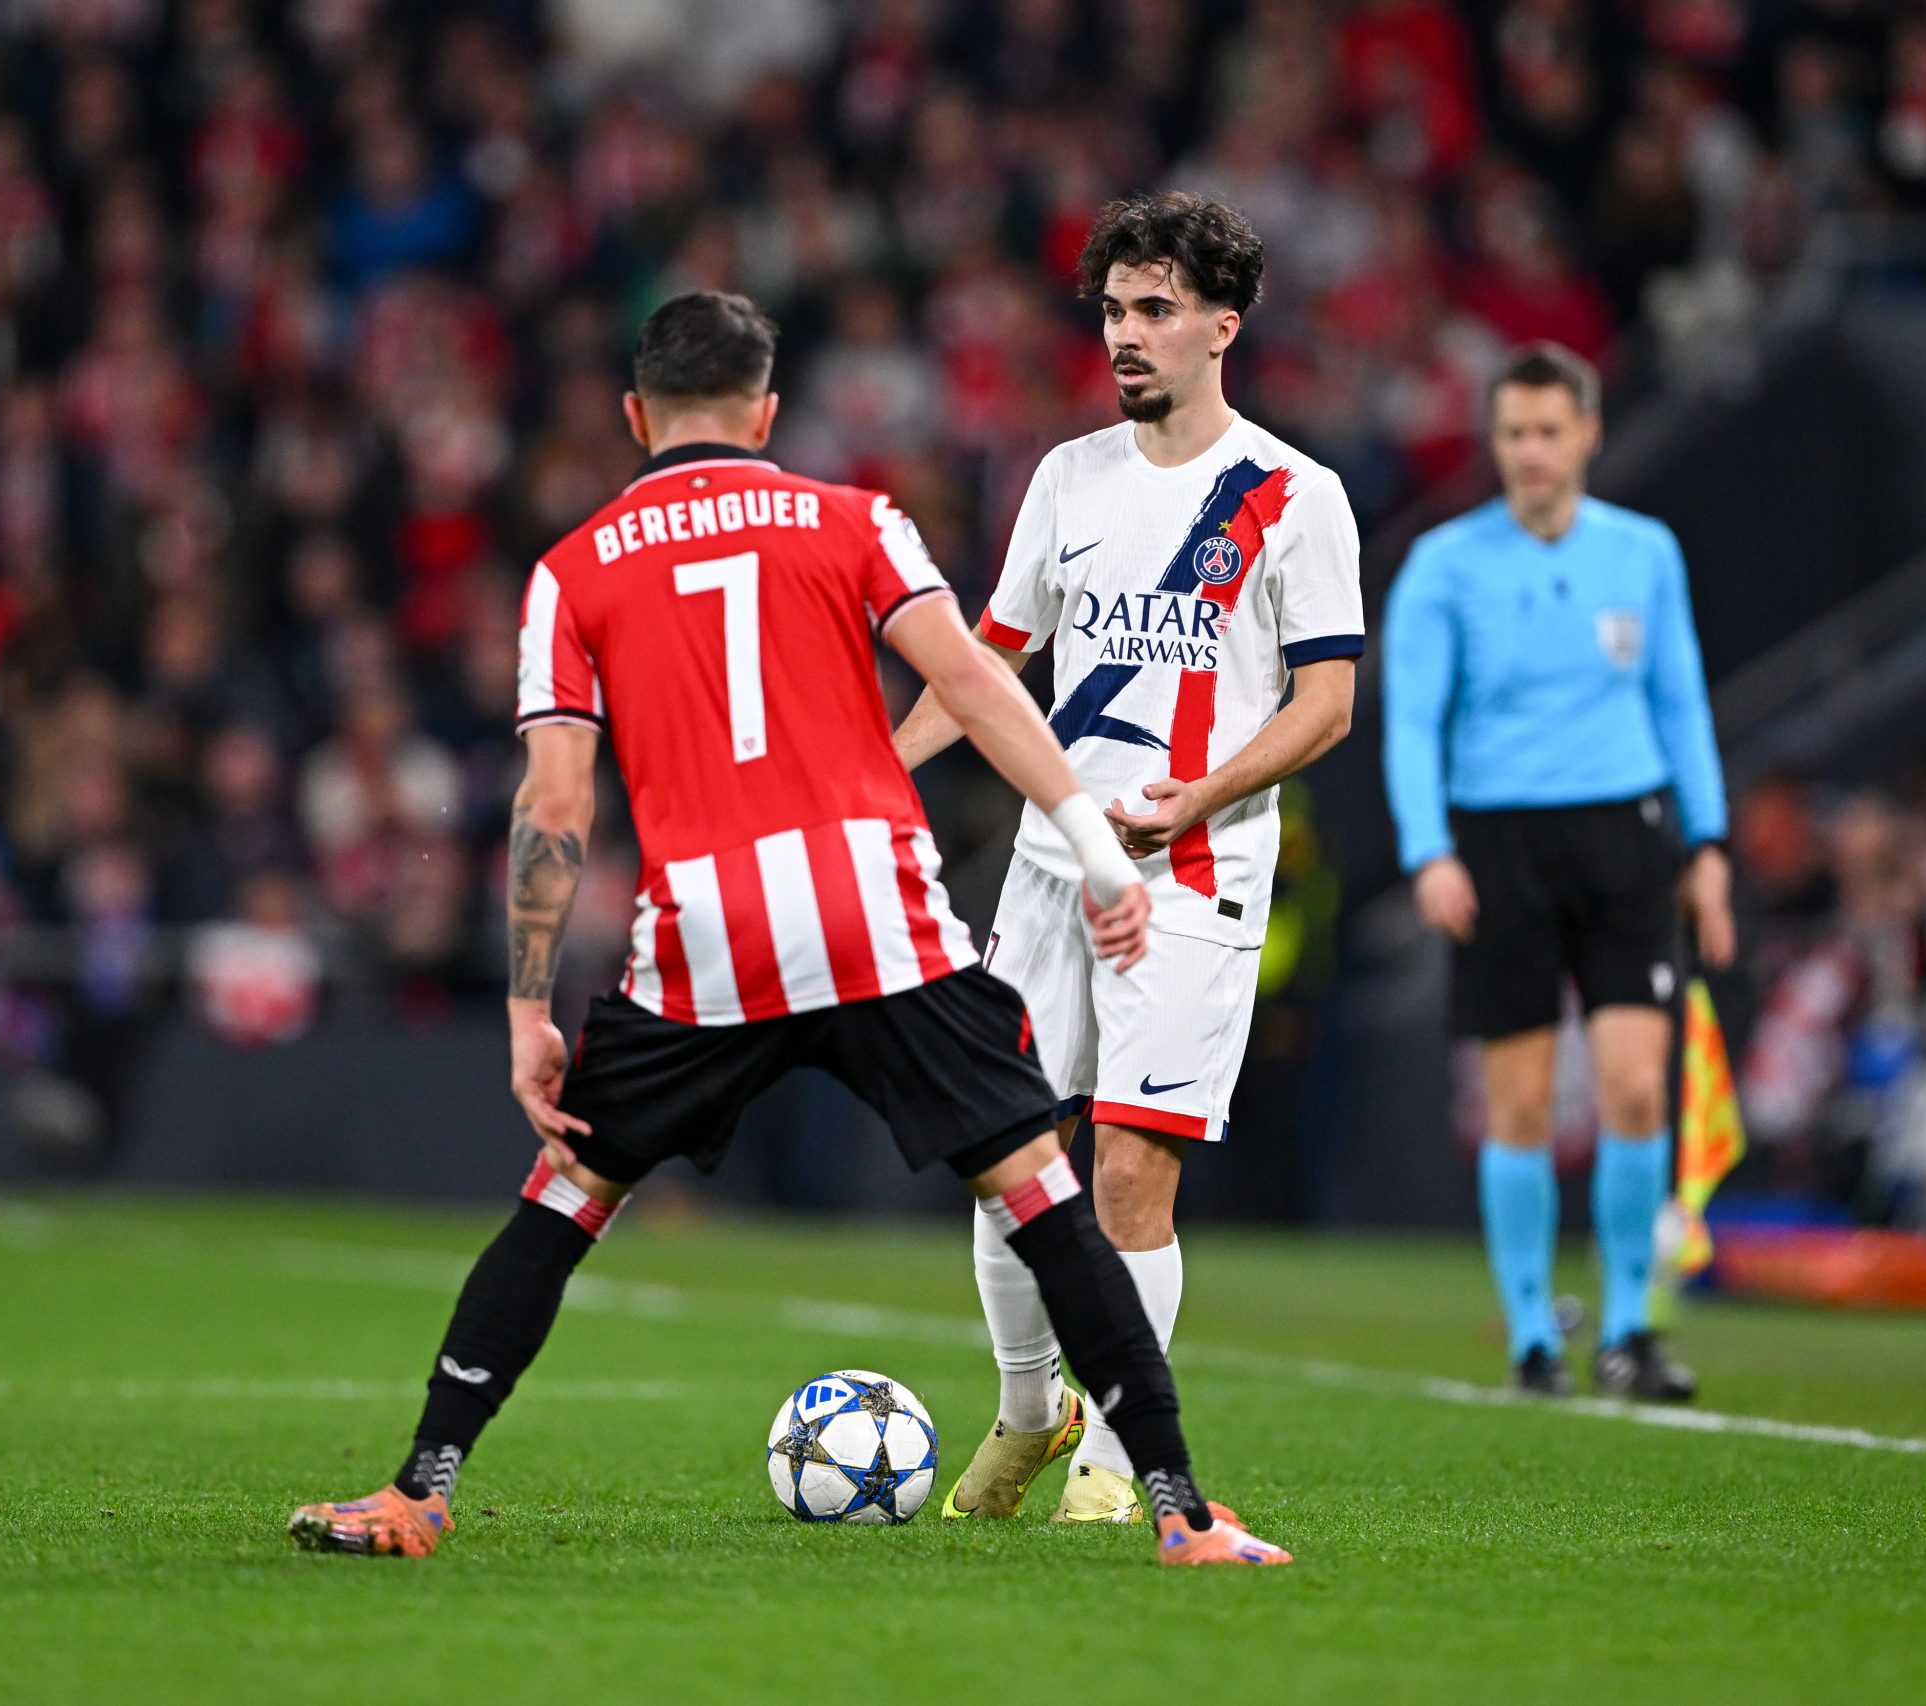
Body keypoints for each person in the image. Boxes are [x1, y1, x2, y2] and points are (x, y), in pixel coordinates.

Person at [287, 291, 1291, 1567]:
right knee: (1045, 1194)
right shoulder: (853, 519)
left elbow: (553, 802)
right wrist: (1098, 853)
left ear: (637, 415)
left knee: (564, 1198)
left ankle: (418, 1491)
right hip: (877, 914)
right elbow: (978, 680)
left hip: (708, 934)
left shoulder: (574, 568)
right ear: (766, 413)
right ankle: (1181, 1512)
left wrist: (525, 1006)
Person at [893, 193, 1365, 1524]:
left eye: (1155, 309)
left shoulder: (1294, 497)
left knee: (1128, 1172)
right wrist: (883, 766)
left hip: (1194, 873)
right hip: (1053, 868)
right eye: (1112, 310)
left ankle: (1111, 1452)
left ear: (1225, 323)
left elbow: (1326, 706)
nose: (1127, 335)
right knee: (1006, 1161)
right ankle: (1028, 1412)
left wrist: (1195, 796)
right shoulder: (1067, 479)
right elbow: (991, 665)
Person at [1380, 341, 1734, 1401]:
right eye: (1513, 433)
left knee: (1635, 1089)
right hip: (1498, 842)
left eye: (1548, 430)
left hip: (1626, 831)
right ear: (1495, 442)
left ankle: (1628, 1326)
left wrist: (1705, 845)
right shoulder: (1445, 563)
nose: (1531, 452)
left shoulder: (1645, 552)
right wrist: (1427, 849)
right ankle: (1533, 1333)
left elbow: (1680, 702)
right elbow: (1410, 722)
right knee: (1522, 1105)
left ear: (1586, 433)